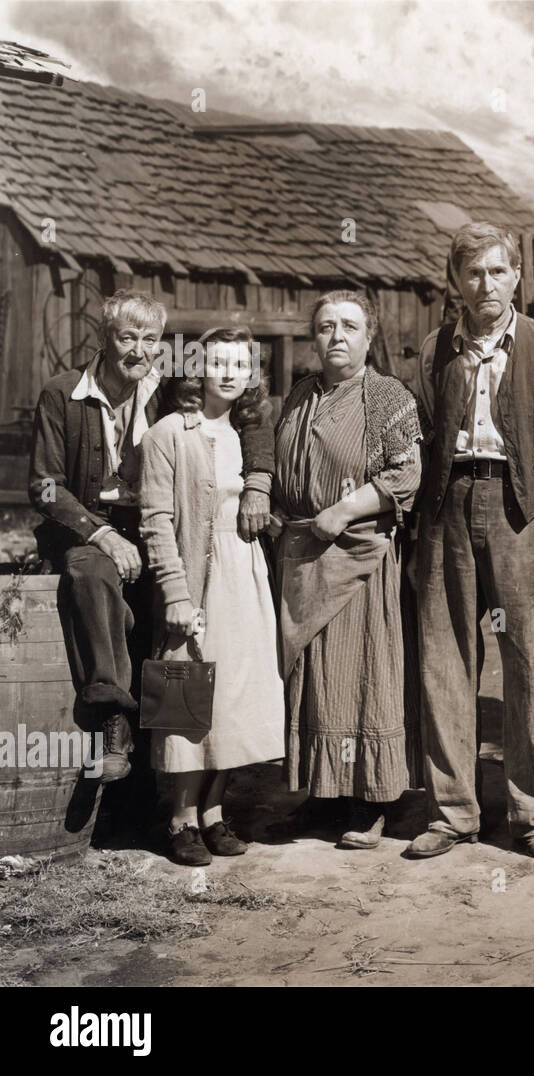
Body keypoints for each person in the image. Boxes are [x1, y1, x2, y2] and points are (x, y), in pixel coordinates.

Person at [28, 290, 272, 832]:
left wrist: (258, 481)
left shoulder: (161, 393)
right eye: (126, 337)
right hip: (84, 527)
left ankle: (146, 803)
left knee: (164, 645)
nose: (137, 350)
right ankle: (113, 712)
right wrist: (102, 534)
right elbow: (44, 486)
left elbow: (246, 415)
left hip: (149, 530)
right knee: (91, 572)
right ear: (103, 337)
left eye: (148, 339)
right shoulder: (63, 394)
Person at [409, 222, 534, 864]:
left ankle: (532, 814)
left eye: (497, 271)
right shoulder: (434, 348)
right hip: (448, 508)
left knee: (527, 663)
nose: (485, 284)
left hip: (529, 514)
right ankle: (454, 812)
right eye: (473, 273)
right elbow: (419, 443)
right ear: (455, 282)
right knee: (445, 658)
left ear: (517, 276)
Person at [273, 290, 423, 850]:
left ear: (368, 336)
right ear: (314, 338)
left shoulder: (387, 397)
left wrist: (343, 509)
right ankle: (323, 793)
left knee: (362, 675)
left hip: (361, 557)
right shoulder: (299, 395)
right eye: (326, 326)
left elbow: (407, 473)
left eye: (349, 326)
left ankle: (373, 801)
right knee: (313, 678)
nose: (337, 336)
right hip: (303, 553)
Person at [139, 327, 285, 865]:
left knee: (235, 694)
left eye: (239, 364)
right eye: (216, 362)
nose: (228, 372)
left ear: (251, 375)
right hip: (195, 576)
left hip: (244, 571)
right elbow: (156, 521)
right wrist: (176, 595)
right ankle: (179, 818)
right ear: (196, 369)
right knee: (187, 694)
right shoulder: (169, 434)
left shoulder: (249, 434)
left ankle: (214, 812)